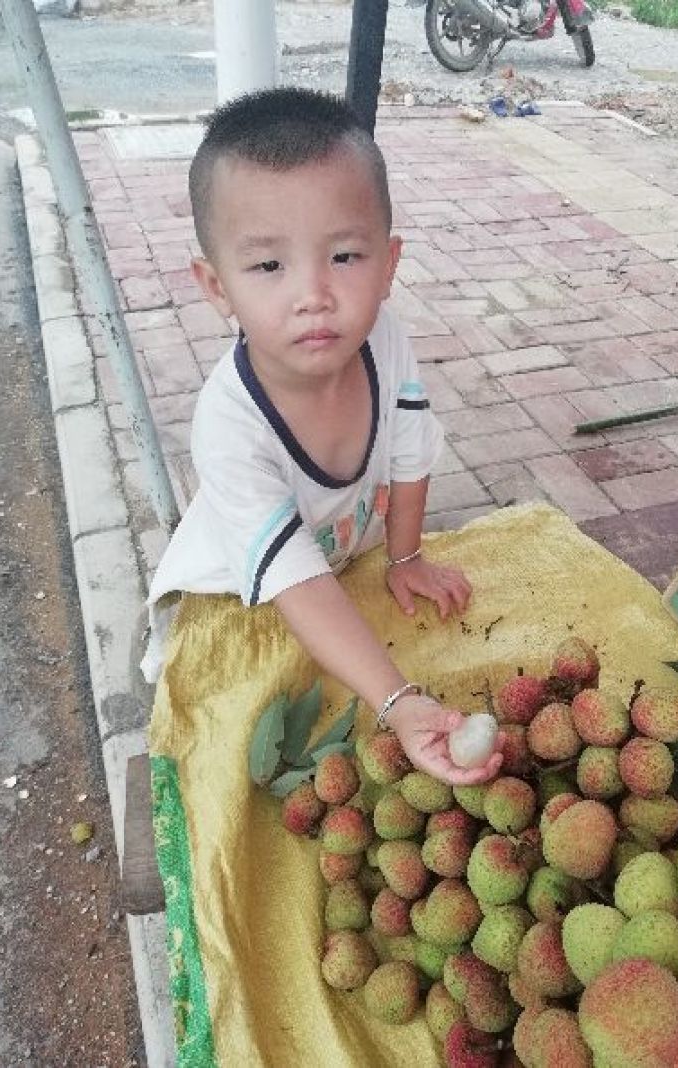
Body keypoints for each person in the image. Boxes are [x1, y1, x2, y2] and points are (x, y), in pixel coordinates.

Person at [143, 88, 503, 786]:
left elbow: (410, 452)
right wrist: (399, 702)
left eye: (344, 256)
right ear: (217, 287)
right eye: (269, 266)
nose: (315, 293)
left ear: (389, 263)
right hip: (238, 598)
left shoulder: (384, 341)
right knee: (232, 758)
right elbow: (293, 580)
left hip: (334, 561)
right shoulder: (228, 426)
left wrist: (405, 556)